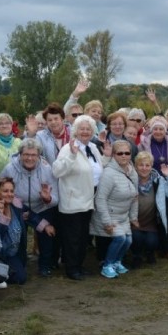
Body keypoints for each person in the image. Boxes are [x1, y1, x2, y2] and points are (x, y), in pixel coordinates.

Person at [51, 115, 103, 280]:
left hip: (88, 199)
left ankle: (79, 265)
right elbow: (57, 171)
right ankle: (72, 269)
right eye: (82, 128)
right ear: (75, 131)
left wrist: (107, 156)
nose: (85, 132)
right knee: (72, 237)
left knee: (83, 236)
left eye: (88, 129)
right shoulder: (68, 148)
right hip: (72, 199)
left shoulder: (94, 148)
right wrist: (72, 156)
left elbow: (98, 170)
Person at [0, 139, 59, 277]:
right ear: (20, 154)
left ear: (39, 156)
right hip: (17, 207)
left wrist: (48, 199)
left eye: (33, 155)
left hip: (42, 206)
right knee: (19, 236)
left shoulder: (46, 168)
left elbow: (56, 197)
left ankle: (45, 265)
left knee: (47, 234)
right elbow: (0, 191)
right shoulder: (9, 168)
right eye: (26, 154)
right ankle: (20, 264)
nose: (30, 158)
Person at [0, 176, 54, 285]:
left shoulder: (16, 205)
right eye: (5, 191)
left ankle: (0, 275)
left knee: (21, 278)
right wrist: (1, 217)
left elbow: (29, 215)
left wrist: (45, 226)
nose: (9, 194)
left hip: (12, 254)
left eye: (11, 191)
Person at [93, 140, 138, 278]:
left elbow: (135, 196)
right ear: (113, 155)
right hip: (109, 214)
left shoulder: (132, 171)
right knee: (119, 238)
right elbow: (100, 199)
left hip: (123, 215)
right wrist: (107, 222)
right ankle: (107, 265)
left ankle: (117, 262)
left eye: (127, 153)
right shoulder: (108, 173)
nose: (124, 156)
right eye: (120, 153)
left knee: (128, 240)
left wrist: (133, 217)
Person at [129, 152, 168, 267]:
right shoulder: (130, 180)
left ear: (151, 166)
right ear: (136, 166)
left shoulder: (159, 180)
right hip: (133, 221)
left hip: (151, 223)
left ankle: (149, 253)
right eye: (141, 165)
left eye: (147, 165)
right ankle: (136, 256)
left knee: (151, 242)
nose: (144, 168)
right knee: (136, 238)